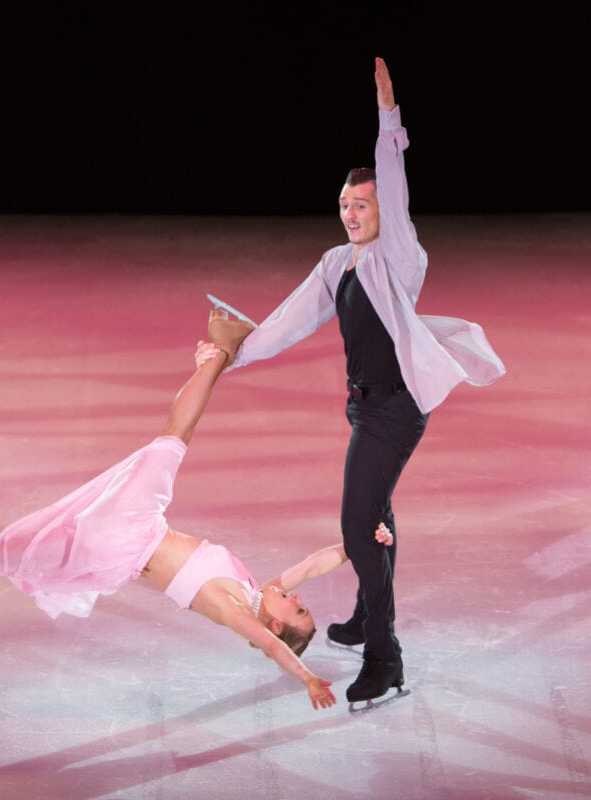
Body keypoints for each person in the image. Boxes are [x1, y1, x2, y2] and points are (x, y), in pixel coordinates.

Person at [0, 313, 392, 711]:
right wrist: (364, 541)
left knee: (173, 438)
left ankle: (217, 353)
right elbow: (319, 563)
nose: (295, 599)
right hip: (124, 543)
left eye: (296, 611)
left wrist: (309, 679)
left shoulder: (235, 610)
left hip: (132, 535)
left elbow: (271, 646)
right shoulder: (255, 587)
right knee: (5, 555)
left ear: (272, 623)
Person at [208, 58, 505, 707]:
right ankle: (367, 621)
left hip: (395, 411)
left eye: (361, 204)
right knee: (376, 524)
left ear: (382, 210)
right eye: (343, 203)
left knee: (354, 526)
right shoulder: (337, 263)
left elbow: (393, 185)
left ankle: (385, 656)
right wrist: (236, 354)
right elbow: (289, 320)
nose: (351, 212)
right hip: (362, 407)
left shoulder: (397, 257)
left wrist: (387, 119)